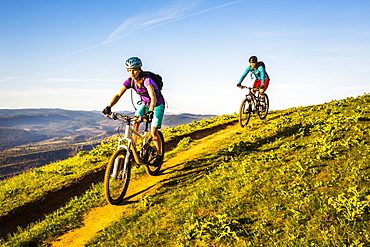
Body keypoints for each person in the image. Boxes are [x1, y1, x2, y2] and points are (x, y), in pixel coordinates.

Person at [102, 57, 165, 166]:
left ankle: (159, 154)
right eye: (129, 70)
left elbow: (153, 97)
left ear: (140, 69)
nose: (132, 72)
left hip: (157, 105)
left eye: (135, 69)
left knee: (154, 131)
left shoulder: (147, 80)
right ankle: (133, 150)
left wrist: (150, 112)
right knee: (135, 122)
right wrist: (109, 106)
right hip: (145, 104)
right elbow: (118, 94)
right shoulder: (130, 81)